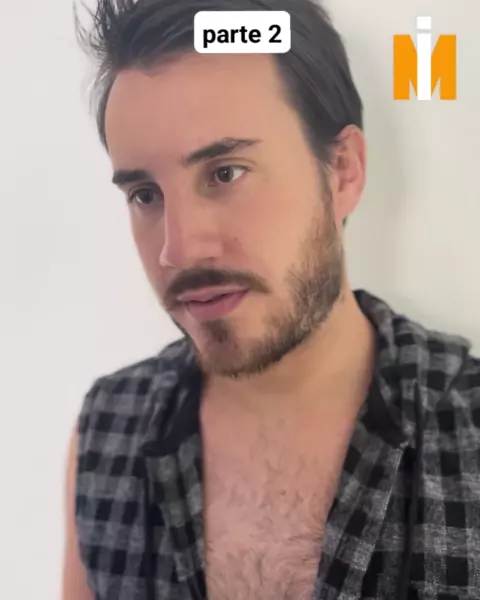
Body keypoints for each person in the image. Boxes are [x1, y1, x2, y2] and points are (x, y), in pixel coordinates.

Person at [62, 0, 480, 599]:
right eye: (145, 195)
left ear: (342, 171)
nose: (178, 250)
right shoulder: (106, 432)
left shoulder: (467, 431)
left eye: (225, 173)